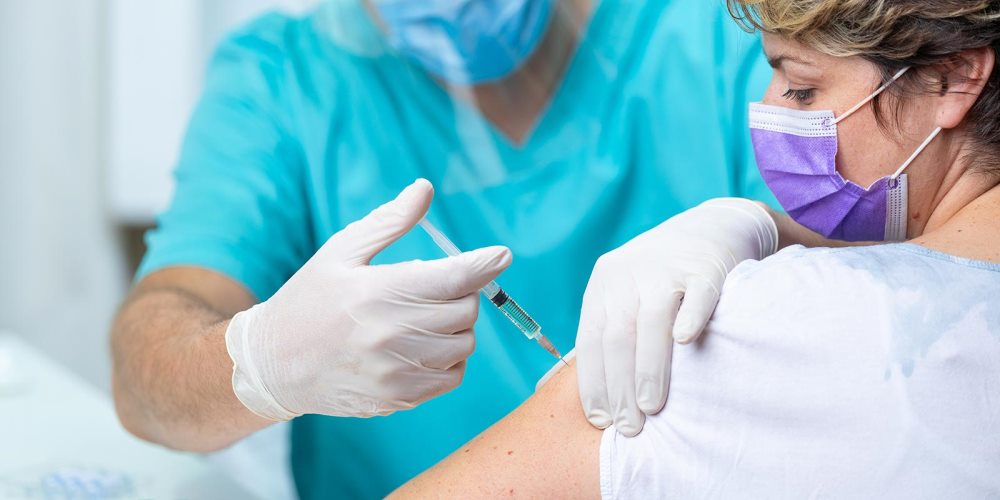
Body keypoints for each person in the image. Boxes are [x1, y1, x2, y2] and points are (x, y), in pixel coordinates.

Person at [110, 0, 787, 497]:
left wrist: (762, 229)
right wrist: (262, 361)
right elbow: (147, 378)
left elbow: (865, 291)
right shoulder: (286, 79)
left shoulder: (729, 32)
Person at [389, 0, 1000, 497]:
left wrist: (285, 383)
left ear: (953, 80)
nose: (765, 109)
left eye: (803, 88)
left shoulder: (746, 328)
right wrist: (770, 224)